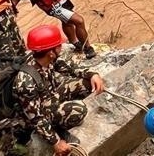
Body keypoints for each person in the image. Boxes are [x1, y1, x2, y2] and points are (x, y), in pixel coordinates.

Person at [14, 24, 105, 155]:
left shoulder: (45, 57)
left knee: (86, 84)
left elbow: (70, 69)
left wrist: (92, 74)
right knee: (79, 110)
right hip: (35, 114)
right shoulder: (26, 83)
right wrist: (56, 142)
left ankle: (58, 118)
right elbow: (35, 118)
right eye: (59, 46)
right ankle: (58, 128)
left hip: (48, 97)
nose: (61, 47)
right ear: (51, 52)